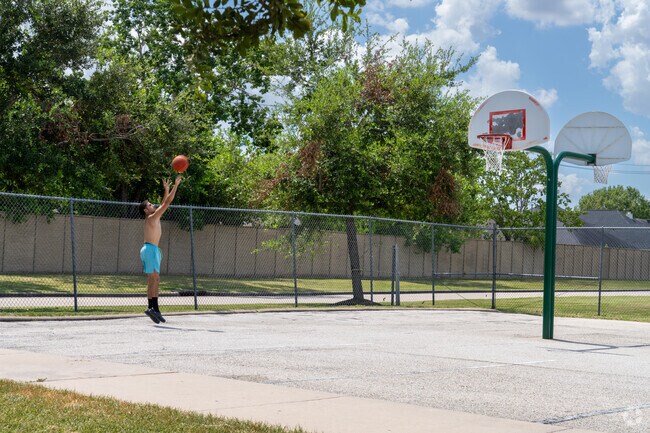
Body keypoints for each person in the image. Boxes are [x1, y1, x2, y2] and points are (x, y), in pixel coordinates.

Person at [138, 176, 182, 323]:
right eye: (150, 205)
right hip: (149, 249)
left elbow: (163, 203)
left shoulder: (154, 216)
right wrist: (176, 185)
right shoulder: (151, 218)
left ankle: (155, 309)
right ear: (146, 210)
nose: (152, 205)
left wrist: (166, 189)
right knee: (153, 278)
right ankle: (151, 307)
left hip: (154, 250)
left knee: (156, 278)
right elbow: (167, 203)